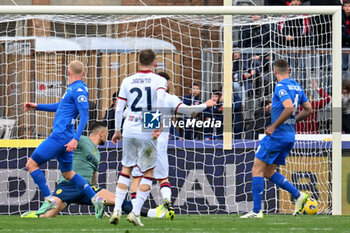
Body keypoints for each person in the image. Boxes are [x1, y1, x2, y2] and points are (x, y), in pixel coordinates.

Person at [21, 122, 162, 219]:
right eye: (106, 133)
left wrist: (97, 198)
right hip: (68, 186)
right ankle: (31, 215)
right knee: (47, 216)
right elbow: (61, 137)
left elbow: (94, 176)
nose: (107, 136)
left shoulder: (97, 153)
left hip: (87, 189)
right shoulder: (80, 140)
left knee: (119, 201)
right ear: (101, 133)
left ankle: (149, 213)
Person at [23, 61, 106, 219]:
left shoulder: (79, 89)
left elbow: (85, 116)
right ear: (83, 73)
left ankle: (49, 200)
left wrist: (75, 139)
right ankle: (96, 199)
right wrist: (37, 106)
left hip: (61, 136)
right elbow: (61, 106)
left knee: (31, 164)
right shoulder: (73, 89)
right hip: (66, 138)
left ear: (68, 72)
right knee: (68, 173)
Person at [131, 72, 216, 220]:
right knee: (163, 179)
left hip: (144, 145)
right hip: (161, 148)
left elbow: (128, 114)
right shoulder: (170, 99)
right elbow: (191, 111)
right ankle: (167, 205)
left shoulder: (145, 98)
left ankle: (134, 209)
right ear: (168, 84)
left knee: (138, 178)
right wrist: (205, 104)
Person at [240, 59, 313, 218]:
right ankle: (298, 195)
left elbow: (288, 107)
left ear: (274, 71)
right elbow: (309, 109)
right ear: (289, 70)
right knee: (269, 171)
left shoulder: (280, 86)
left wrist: (273, 126)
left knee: (256, 170)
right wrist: (291, 120)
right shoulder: (297, 86)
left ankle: (257, 211)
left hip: (277, 135)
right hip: (289, 136)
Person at [109, 49, 167, 227]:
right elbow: (160, 102)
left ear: (138, 61)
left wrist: (117, 130)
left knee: (126, 168)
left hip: (129, 125)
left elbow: (119, 108)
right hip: (147, 125)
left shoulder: (127, 80)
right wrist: (158, 124)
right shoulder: (159, 80)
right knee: (148, 172)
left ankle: (117, 208)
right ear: (155, 62)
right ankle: (135, 212)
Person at [343, 0, 350, 71]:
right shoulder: (338, 15)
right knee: (344, 67)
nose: (347, 8)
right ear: (343, 7)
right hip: (342, 42)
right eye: (346, 6)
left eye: (349, 6)